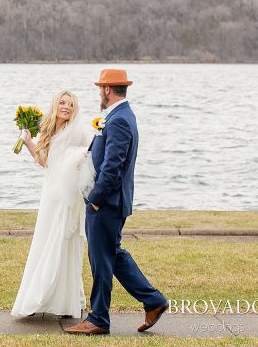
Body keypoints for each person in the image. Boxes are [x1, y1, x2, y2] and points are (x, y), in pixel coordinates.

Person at [65, 69, 169, 335]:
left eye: (101, 88)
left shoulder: (120, 119)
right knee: (113, 256)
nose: (99, 92)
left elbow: (114, 166)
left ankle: (99, 319)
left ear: (108, 90)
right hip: (109, 201)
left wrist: (96, 200)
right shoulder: (118, 116)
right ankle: (154, 301)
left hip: (107, 203)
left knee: (101, 261)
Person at [11, 91, 96, 319]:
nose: (66, 107)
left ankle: (65, 302)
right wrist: (28, 141)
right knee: (44, 242)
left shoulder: (78, 131)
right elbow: (45, 161)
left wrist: (78, 163)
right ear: (56, 105)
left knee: (63, 245)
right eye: (62, 102)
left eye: (70, 104)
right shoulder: (49, 130)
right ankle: (42, 297)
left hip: (68, 197)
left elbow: (92, 153)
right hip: (50, 194)